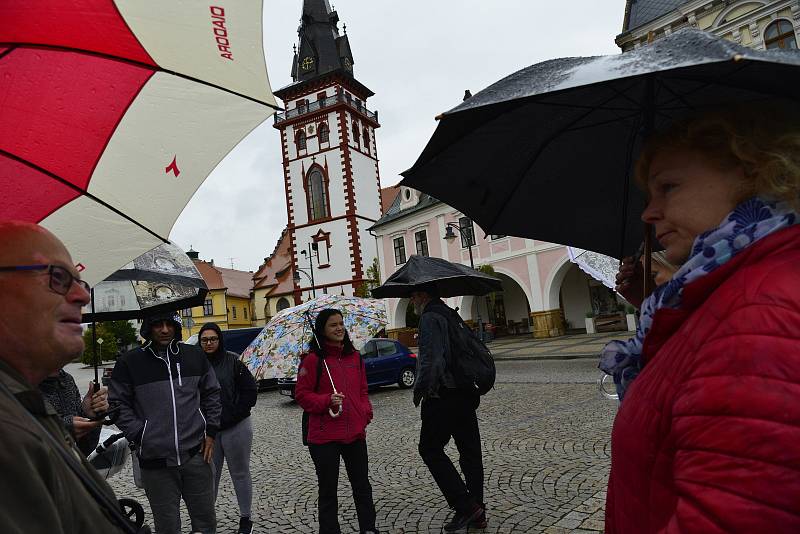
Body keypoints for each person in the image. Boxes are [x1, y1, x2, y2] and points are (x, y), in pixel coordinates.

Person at [600, 105, 800, 532]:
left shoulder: (758, 314)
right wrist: (652, 304)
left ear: (752, 172)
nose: (648, 213)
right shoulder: (732, 288)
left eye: (667, 187)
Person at [0, 221, 131, 533]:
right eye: (57, 278)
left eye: (80, 282)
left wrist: (84, 416)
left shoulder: (21, 400)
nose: (82, 296)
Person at [110, 312, 221, 534]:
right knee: (167, 528)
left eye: (169, 324)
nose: (164, 330)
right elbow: (117, 404)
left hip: (196, 456)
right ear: (148, 328)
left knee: (206, 523)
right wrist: (142, 435)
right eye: (157, 324)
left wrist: (211, 431)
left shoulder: (194, 356)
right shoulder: (130, 362)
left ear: (176, 326)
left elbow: (212, 394)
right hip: (156, 464)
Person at [294, 309, 378, 534]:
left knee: (362, 486)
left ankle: (368, 528)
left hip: (354, 433)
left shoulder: (355, 357)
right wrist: (326, 400)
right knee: (328, 490)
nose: (339, 328)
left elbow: (362, 389)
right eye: (333, 325)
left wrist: (365, 411)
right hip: (324, 437)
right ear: (322, 330)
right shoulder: (312, 360)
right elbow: (301, 395)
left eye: (341, 323)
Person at [410, 287, 485, 532]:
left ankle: (466, 506)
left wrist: (421, 391)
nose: (412, 301)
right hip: (465, 392)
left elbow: (432, 360)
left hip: (443, 394)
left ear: (422, 295)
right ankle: (478, 510)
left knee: (430, 449)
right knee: (470, 452)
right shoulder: (451, 313)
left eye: (413, 296)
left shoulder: (430, 317)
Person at [197, 322, 258, 534]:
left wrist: (232, 415)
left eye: (213, 339)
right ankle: (206, 520)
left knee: (240, 473)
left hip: (236, 427)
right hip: (208, 432)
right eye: (204, 340)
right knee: (209, 475)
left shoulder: (233, 361)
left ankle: (245, 518)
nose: (209, 343)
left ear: (219, 340)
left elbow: (250, 393)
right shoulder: (196, 364)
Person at [39, 368, 109, 455]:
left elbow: (85, 450)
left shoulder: (66, 380)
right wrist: (62, 431)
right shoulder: (22, 384)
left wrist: (89, 416)